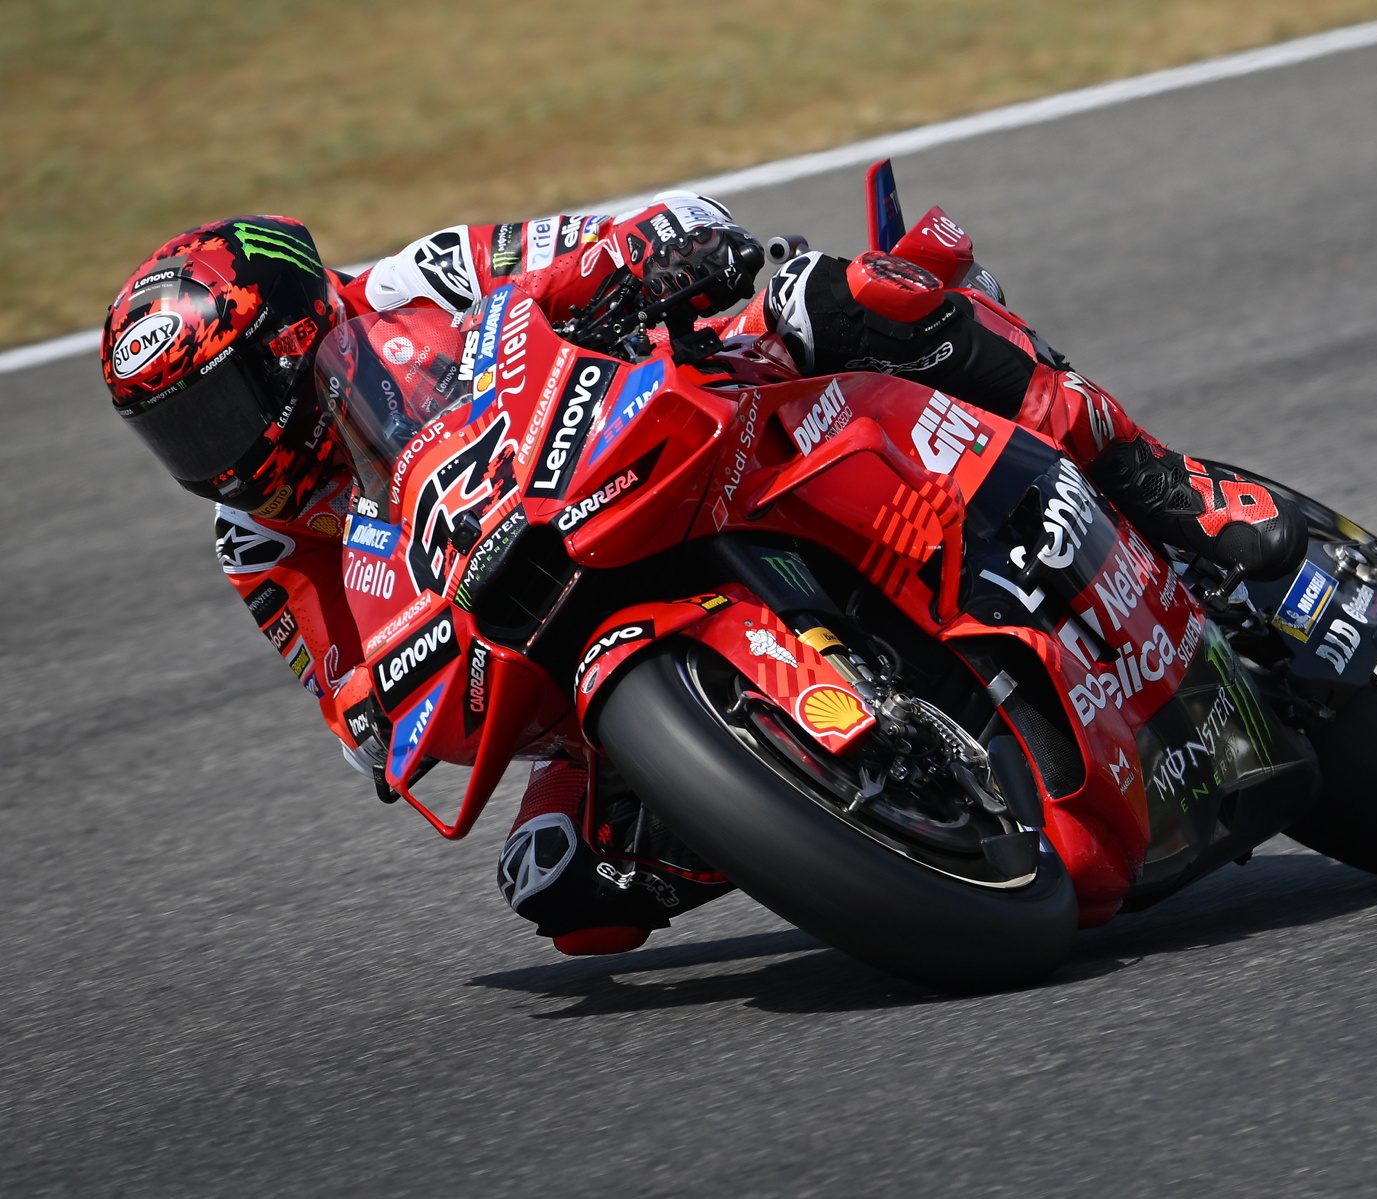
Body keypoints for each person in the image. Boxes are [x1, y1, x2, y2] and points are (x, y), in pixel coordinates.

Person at [100, 197, 1304, 957]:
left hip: (668, 425)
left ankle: (1171, 490)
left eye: (221, 405)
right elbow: (353, 703)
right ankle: (838, 800)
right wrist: (389, 711)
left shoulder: (419, 283)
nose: (213, 453)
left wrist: (651, 257)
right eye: (178, 434)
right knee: (572, 893)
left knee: (851, 302)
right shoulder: (257, 542)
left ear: (299, 337)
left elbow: (599, 238)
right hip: (551, 623)